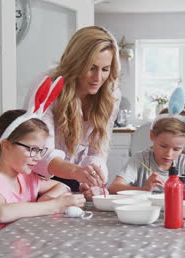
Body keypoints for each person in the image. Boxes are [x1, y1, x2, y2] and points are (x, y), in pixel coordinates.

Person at [25, 26, 121, 196]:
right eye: (91, 68)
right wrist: (77, 172)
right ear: (77, 63)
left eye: (105, 69)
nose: (98, 78)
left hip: (74, 178)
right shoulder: (48, 85)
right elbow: (39, 151)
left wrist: (93, 178)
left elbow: (98, 150)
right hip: (39, 180)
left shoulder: (110, 94)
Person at [0, 109, 86, 245]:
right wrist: (55, 205)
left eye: (40, 151)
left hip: (19, 249)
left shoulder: (25, 177)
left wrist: (45, 199)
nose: (38, 158)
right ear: (6, 146)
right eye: (32, 150)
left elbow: (61, 186)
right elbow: (1, 213)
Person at [108, 117, 185, 193]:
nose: (169, 154)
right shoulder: (140, 160)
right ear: (152, 136)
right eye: (163, 146)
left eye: (176, 149)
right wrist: (144, 189)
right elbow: (113, 188)